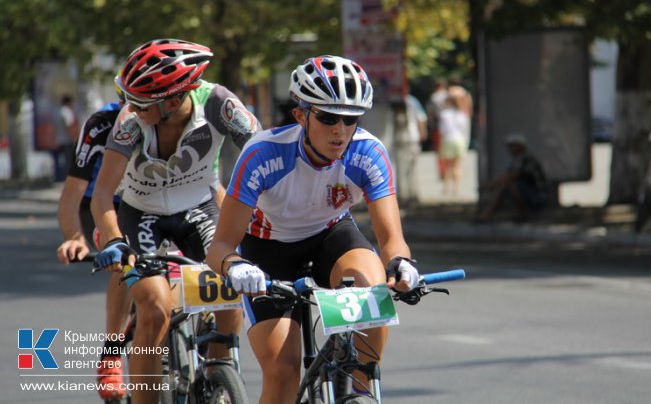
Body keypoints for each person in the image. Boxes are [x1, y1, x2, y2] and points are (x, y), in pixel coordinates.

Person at [206, 55, 420, 404]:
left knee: (373, 287)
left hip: (331, 237)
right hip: (266, 252)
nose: (340, 130)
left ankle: (358, 393)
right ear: (301, 115)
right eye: (327, 117)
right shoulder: (262, 153)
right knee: (283, 372)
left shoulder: (368, 152)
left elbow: (393, 240)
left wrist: (401, 263)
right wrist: (235, 267)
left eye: (351, 119)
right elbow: (221, 246)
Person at [91, 39, 261, 404]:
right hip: (140, 215)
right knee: (154, 309)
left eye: (139, 103)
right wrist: (112, 239)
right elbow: (103, 194)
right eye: (128, 99)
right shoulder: (129, 122)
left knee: (232, 278)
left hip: (200, 207)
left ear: (172, 100)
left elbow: (262, 155)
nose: (130, 108)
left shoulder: (219, 104)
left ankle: (219, 365)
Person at [55, 81, 131, 401]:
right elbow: (71, 195)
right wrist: (75, 238)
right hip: (103, 203)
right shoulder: (101, 124)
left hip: (160, 201)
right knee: (124, 258)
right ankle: (112, 353)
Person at [477, 133, 548, 222]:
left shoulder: (526, 159)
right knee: (507, 186)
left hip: (538, 197)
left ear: (520, 146)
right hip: (531, 194)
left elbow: (510, 176)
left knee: (508, 185)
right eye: (509, 146)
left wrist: (489, 186)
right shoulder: (518, 159)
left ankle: (488, 213)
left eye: (513, 146)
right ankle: (489, 213)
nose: (510, 149)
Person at [438, 93, 469, 197]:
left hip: (448, 140)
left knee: (447, 167)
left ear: (449, 102)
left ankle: (446, 188)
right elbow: (465, 130)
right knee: (457, 166)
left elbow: (442, 130)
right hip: (459, 140)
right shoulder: (462, 114)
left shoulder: (444, 114)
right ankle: (457, 189)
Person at [51, 95, 80, 182]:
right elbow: (69, 126)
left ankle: (58, 178)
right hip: (67, 140)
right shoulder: (67, 112)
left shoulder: (57, 112)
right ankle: (68, 178)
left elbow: (55, 128)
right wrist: (75, 138)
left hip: (59, 140)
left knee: (61, 160)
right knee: (68, 160)